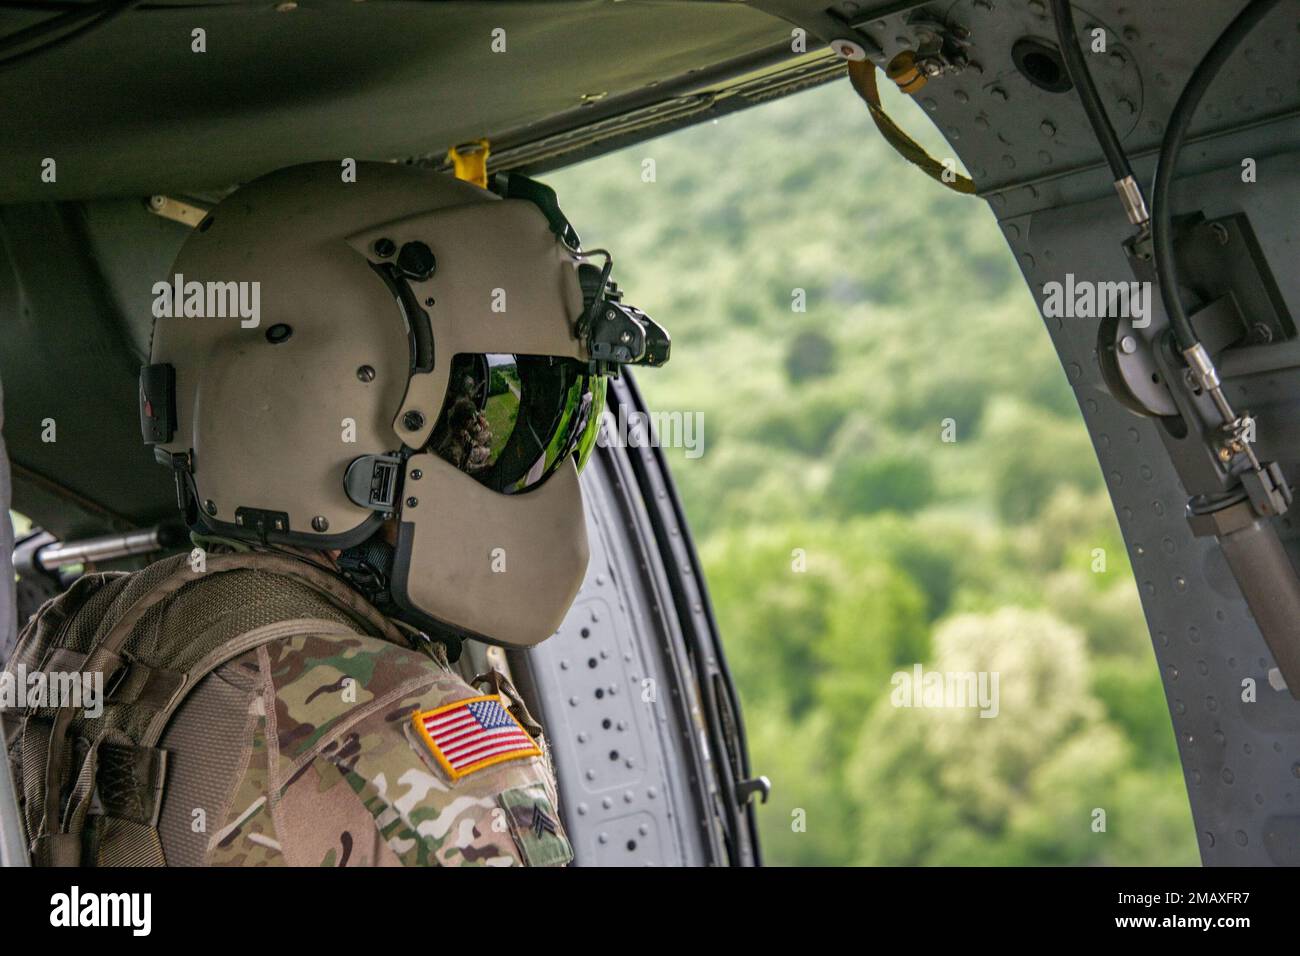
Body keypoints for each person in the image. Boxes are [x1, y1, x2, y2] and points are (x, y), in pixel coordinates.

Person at [1, 160, 667, 866]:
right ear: (323, 404)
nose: (534, 471)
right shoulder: (407, 748)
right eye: (480, 420)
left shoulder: (82, 636)